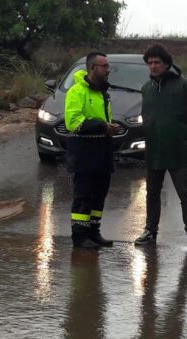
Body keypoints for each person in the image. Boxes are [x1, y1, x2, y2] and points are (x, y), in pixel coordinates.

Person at [134, 44, 187, 249]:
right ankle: (150, 231)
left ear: (166, 63)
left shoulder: (185, 86)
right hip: (154, 149)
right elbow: (146, 115)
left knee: (185, 193)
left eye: (157, 62)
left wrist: (184, 136)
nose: (153, 66)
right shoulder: (146, 88)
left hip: (178, 149)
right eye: (150, 63)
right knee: (152, 193)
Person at [65, 52, 121, 248]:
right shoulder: (77, 91)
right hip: (84, 152)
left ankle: (94, 232)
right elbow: (73, 122)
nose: (108, 70)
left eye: (108, 66)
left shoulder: (103, 92)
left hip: (102, 151)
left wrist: (109, 128)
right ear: (92, 68)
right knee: (84, 195)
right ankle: (80, 236)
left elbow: (103, 120)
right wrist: (102, 126)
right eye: (104, 66)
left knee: (99, 195)